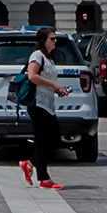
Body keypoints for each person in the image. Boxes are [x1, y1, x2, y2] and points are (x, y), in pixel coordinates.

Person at [20, 27, 72, 191]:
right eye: (52, 38)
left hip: (48, 105)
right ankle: (43, 179)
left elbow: (45, 81)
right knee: (42, 142)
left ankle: (29, 164)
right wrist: (54, 85)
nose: (55, 41)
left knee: (54, 139)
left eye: (55, 39)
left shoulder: (49, 59)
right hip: (38, 104)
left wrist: (57, 89)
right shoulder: (37, 56)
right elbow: (32, 76)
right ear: (43, 40)